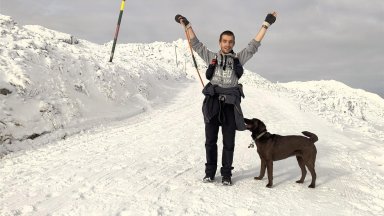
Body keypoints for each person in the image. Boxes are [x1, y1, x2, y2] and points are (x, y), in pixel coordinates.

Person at [175, 12, 277, 185]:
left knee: (228, 143)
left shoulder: (238, 59)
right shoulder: (212, 58)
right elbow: (196, 45)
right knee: (210, 142)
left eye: (230, 42)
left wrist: (266, 24)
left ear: (233, 43)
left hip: (230, 105)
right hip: (213, 104)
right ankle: (209, 173)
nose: (227, 44)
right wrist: (187, 25)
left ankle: (227, 175)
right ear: (220, 42)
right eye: (224, 41)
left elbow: (253, 46)